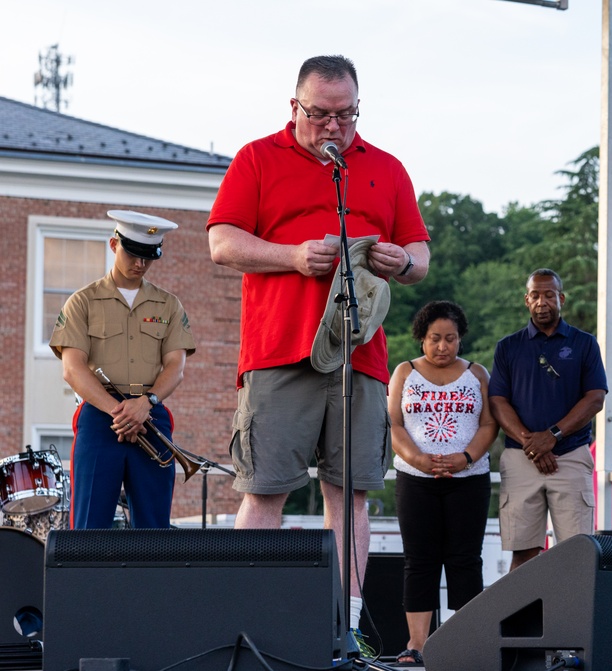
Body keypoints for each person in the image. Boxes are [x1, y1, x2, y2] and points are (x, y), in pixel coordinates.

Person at [206, 54, 430, 651]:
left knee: (350, 492)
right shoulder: (258, 157)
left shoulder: (386, 167)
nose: (334, 126)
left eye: (346, 114)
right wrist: (293, 256)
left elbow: (421, 256)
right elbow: (221, 242)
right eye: (321, 114)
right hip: (279, 352)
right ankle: (244, 628)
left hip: (359, 357)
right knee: (265, 489)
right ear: (295, 106)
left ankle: (344, 629)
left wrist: (399, 262)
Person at [50, 210, 195, 529]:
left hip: (150, 415)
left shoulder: (169, 305)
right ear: (114, 244)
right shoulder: (82, 302)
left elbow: (176, 366)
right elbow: (73, 369)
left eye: (148, 257)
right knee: (89, 528)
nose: (140, 264)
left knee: (155, 530)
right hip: (102, 418)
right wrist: (121, 412)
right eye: (133, 253)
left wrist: (145, 404)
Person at [388, 301, 497, 666]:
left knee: (465, 560)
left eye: (451, 339)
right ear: (421, 338)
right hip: (416, 480)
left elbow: (488, 424)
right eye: (435, 338)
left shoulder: (477, 373)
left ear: (460, 339)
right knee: (420, 561)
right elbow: (395, 425)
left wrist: (465, 457)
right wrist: (418, 459)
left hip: (468, 480)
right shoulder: (404, 373)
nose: (442, 347)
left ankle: (464, 643)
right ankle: (417, 644)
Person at [488, 269, 607, 571]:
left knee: (575, 555)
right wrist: (533, 443)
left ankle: (572, 620)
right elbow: (497, 401)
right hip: (520, 458)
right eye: (536, 295)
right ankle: (522, 620)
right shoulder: (508, 347)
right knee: (523, 555)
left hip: (570, 456)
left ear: (561, 299)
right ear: (526, 301)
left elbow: (595, 398)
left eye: (549, 294)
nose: (543, 301)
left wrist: (552, 436)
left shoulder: (585, 343)